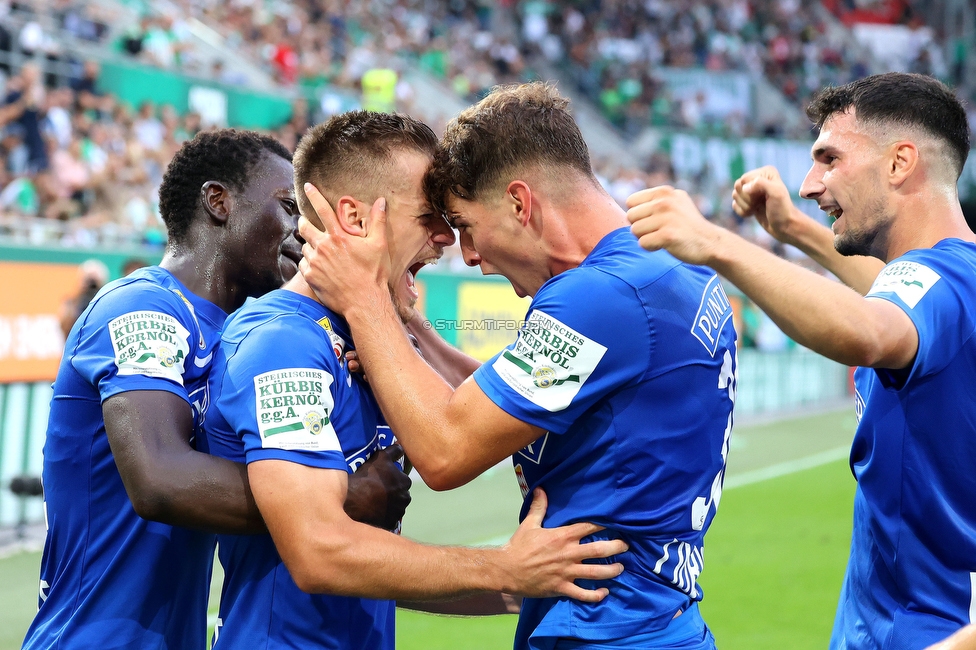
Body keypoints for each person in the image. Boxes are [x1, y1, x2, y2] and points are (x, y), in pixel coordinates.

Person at [297, 84, 736, 649]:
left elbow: (445, 452)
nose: (472, 258)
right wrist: (410, 333)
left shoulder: (598, 297)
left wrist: (364, 300)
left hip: (604, 630)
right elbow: (505, 395)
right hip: (655, 620)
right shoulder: (665, 268)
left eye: (466, 226)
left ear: (519, 203)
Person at [203, 110, 627, 649]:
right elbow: (318, 551)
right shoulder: (283, 343)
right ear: (354, 219)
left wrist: (543, 584)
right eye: (428, 215)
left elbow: (378, 571)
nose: (447, 238)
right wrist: (503, 569)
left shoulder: (365, 341)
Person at [626, 72, 976, 649]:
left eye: (830, 158)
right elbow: (888, 292)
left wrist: (715, 242)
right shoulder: (953, 280)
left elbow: (868, 328)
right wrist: (792, 231)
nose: (811, 183)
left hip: (921, 634)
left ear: (899, 163)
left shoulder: (937, 281)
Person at [23, 129, 411, 650]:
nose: (301, 231)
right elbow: (160, 479)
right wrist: (339, 496)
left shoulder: (240, 335)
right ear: (218, 202)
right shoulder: (141, 308)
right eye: (287, 207)